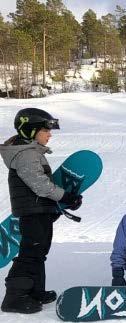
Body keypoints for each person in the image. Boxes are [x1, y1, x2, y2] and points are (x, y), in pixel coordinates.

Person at [1, 108, 82, 314]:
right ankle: (14, 297)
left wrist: (54, 207)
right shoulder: (26, 154)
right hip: (32, 212)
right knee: (30, 252)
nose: (50, 134)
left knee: (39, 251)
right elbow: (41, 185)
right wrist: (65, 196)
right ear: (31, 130)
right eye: (45, 130)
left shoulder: (30, 152)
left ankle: (34, 291)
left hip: (38, 210)